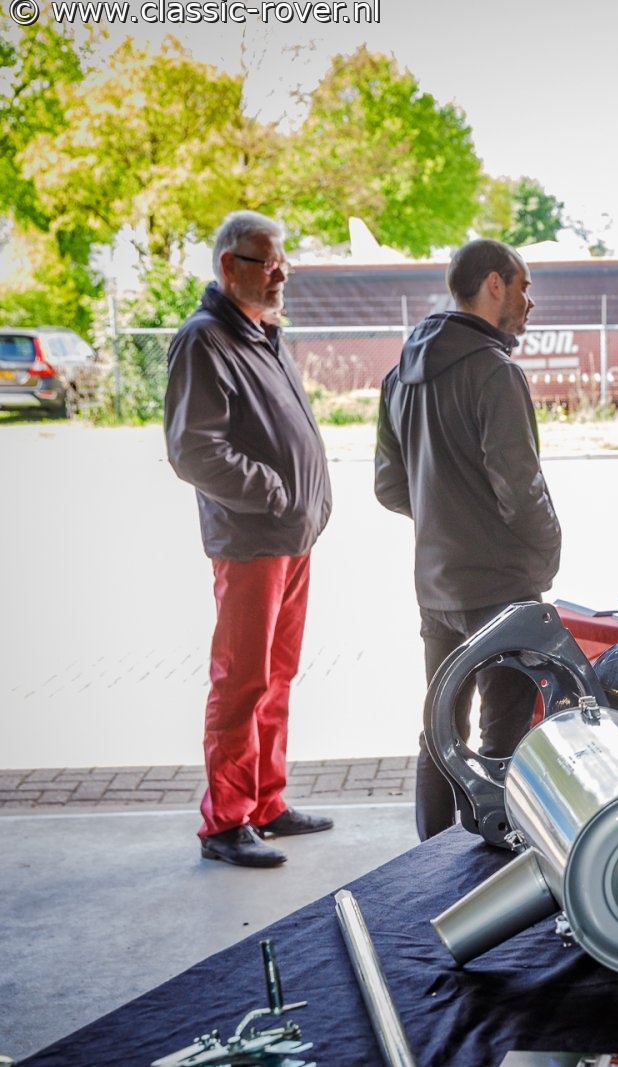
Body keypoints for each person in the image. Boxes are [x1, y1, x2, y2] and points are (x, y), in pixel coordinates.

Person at [375, 239, 560, 840]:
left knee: (440, 730)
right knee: (502, 741)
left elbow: (388, 485)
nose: (530, 301)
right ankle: (489, 868)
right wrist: (545, 557)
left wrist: (445, 521)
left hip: (436, 588)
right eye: (524, 286)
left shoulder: (400, 373)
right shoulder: (495, 372)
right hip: (500, 588)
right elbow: (520, 490)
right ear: (494, 285)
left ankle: (427, 863)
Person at [165, 210, 334, 869]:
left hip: (291, 537)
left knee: (276, 676)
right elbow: (194, 450)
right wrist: (273, 492)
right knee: (242, 681)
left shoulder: (263, 333)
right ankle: (226, 821)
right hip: (251, 539)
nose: (280, 273)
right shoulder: (205, 339)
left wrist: (304, 501)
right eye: (267, 262)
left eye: (282, 261)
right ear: (227, 266)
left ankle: (266, 802)